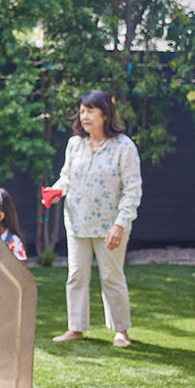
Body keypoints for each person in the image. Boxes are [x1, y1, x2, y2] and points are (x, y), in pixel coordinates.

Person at [47, 90, 142, 348]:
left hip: (110, 226)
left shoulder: (124, 147)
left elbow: (133, 190)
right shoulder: (74, 144)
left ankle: (121, 330)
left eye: (90, 111)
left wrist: (120, 224)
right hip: (76, 223)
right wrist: (56, 191)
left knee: (111, 276)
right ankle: (75, 328)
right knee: (76, 275)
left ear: (105, 114)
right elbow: (66, 177)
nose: (84, 116)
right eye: (82, 111)